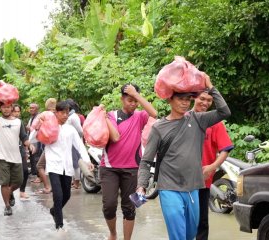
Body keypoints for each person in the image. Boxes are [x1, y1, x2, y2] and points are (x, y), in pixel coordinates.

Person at [137, 76, 231, 240]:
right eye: (181, 99)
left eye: (188, 99)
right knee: (178, 235)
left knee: (190, 234)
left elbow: (225, 112)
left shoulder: (198, 120)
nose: (185, 103)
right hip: (169, 188)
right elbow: (146, 161)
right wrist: (141, 186)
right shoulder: (159, 128)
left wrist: (209, 85)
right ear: (170, 100)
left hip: (193, 187)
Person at [100, 83, 157, 240]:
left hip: (133, 168)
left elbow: (154, 113)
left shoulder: (140, 116)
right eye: (129, 100)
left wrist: (137, 95)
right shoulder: (110, 115)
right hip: (109, 168)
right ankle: (113, 233)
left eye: (135, 101)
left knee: (130, 207)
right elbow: (111, 137)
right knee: (109, 206)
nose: (132, 104)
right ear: (121, 99)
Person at [31, 101, 94, 230]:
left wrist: (87, 161)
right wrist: (38, 125)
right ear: (56, 113)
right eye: (63, 113)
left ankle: (54, 210)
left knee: (67, 195)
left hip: (67, 166)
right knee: (58, 195)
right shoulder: (48, 127)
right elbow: (33, 139)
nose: (65, 115)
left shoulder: (70, 129)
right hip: (54, 166)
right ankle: (59, 225)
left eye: (67, 113)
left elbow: (79, 146)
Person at [192, 91, 234, 240]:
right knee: (182, 218)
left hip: (203, 179)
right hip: (182, 180)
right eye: (202, 98)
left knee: (202, 220)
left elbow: (225, 149)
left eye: (209, 100)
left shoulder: (214, 122)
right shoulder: (183, 118)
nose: (205, 103)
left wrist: (212, 167)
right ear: (193, 98)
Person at [0, 91, 34, 216]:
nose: (6, 109)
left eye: (8, 107)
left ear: (11, 108)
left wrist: (30, 144)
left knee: (18, 181)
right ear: (0, 108)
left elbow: (24, 137)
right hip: (2, 156)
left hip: (16, 157)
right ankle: (7, 206)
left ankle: (10, 192)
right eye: (4, 107)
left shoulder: (18, 122)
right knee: (4, 182)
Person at [34, 98, 57, 194]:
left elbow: (36, 127)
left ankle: (48, 187)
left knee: (39, 165)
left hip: (49, 145)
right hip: (59, 145)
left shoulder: (44, 115)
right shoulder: (58, 115)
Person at [12, 104, 30, 200]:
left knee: (25, 171)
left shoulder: (20, 122)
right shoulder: (7, 122)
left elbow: (24, 137)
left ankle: (22, 191)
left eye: (18, 111)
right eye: (15, 111)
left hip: (21, 149)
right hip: (10, 151)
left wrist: (26, 150)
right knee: (12, 173)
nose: (17, 113)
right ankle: (9, 192)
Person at [65, 99, 83, 189]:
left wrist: (76, 140)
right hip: (69, 142)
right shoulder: (69, 116)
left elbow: (80, 131)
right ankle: (74, 181)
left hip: (74, 143)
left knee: (76, 163)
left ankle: (77, 183)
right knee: (72, 162)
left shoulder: (73, 117)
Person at [26, 103, 40, 178]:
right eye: (30, 108)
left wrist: (30, 128)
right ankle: (34, 173)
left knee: (36, 158)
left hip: (37, 140)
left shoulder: (38, 117)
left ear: (37, 109)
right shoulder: (32, 118)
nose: (31, 109)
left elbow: (36, 128)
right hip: (31, 140)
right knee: (32, 157)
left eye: (33, 108)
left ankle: (38, 176)